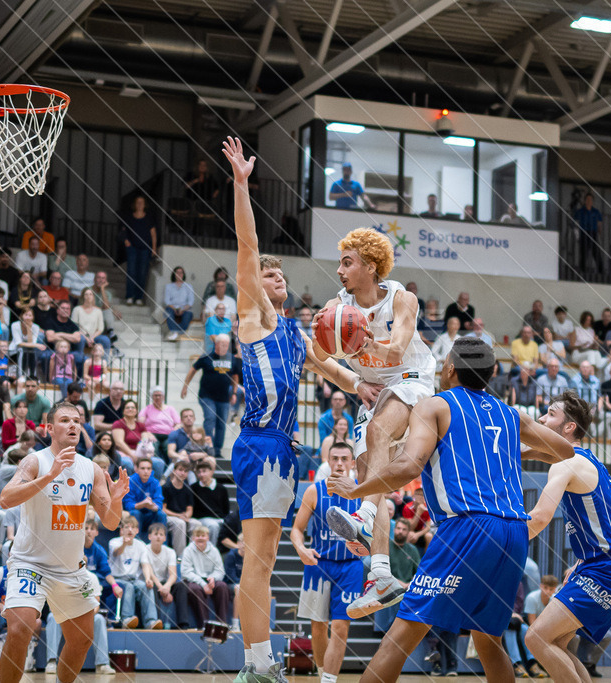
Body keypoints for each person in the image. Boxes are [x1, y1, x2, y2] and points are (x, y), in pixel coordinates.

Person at [326, 337, 575, 682]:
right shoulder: (510, 414)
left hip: (468, 527)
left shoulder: (435, 406)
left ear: (450, 368)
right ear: (491, 374)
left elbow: (409, 466)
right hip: (514, 533)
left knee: (399, 638)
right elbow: (565, 450)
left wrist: (358, 489)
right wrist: (513, 451)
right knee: (488, 640)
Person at [222, 136, 366, 682]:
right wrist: (242, 186)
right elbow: (247, 245)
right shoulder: (254, 315)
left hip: (283, 449)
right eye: (267, 274)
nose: (275, 278)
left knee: (262, 560)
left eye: (280, 275)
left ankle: (257, 663)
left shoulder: (295, 333)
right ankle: (258, 665)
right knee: (258, 559)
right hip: (260, 444)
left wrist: (369, 388)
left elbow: (336, 372)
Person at [316, 225, 437, 616]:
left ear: (370, 266)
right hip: (373, 390)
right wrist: (353, 380)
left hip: (410, 378)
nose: (339, 270)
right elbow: (320, 356)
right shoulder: (338, 307)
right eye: (339, 263)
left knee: (378, 432)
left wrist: (363, 342)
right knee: (371, 475)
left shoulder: (402, 299)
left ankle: (364, 516)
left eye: (347, 263)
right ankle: (382, 576)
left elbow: (397, 350)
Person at [0, 402, 130, 683]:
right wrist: (49, 476)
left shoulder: (91, 469)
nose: (73, 425)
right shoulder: (35, 461)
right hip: (30, 564)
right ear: (49, 428)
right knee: (20, 629)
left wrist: (116, 499)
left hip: (70, 569)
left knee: (82, 639)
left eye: (77, 421)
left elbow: (110, 522)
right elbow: (6, 498)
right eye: (65, 420)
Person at [522, 391, 611, 683]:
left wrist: (504, 542)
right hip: (599, 565)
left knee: (536, 638)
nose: (541, 419)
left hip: (605, 569)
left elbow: (540, 516)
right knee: (556, 642)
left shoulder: (566, 464)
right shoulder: (581, 458)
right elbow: (539, 452)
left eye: (550, 414)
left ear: (569, 426)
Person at [291, 442, 362, 683]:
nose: (339, 463)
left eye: (344, 459)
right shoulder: (314, 491)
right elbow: (297, 529)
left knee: (341, 627)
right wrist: (301, 549)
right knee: (318, 626)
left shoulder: (362, 492)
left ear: (352, 463)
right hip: (319, 564)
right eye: (335, 458)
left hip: (350, 566)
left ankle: (329, 680)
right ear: (328, 462)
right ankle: (322, 674)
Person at [181, 335, 242, 457]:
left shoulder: (231, 359)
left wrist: (234, 393)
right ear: (216, 344)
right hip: (206, 396)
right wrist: (185, 386)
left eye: (227, 345)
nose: (225, 347)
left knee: (221, 424)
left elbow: (235, 376)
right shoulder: (207, 357)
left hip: (224, 398)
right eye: (222, 344)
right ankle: (208, 447)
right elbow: (193, 369)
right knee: (210, 418)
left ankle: (217, 451)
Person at [107, 513, 162, 629]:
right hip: (117, 579)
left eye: (133, 527)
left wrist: (148, 579)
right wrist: (124, 544)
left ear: (137, 531)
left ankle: (151, 621)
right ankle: (127, 619)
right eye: (127, 527)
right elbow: (116, 553)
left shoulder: (141, 545)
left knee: (146, 586)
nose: (130, 530)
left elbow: (145, 565)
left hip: (134, 579)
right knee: (129, 587)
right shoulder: (113, 542)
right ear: (122, 530)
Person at [181, 525, 230, 629]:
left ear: (207, 537)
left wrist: (213, 578)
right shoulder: (188, 550)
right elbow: (186, 572)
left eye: (203, 535)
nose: (200, 538)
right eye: (197, 535)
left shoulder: (214, 550)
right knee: (195, 589)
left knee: (222, 586)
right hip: (195, 580)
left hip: (211, 579)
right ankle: (204, 625)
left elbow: (220, 571)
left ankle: (222, 624)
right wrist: (203, 584)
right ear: (193, 538)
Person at [121, 195, 159, 305]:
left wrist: (154, 248)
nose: (139, 204)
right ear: (134, 204)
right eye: (138, 202)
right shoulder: (129, 217)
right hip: (132, 248)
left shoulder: (149, 218)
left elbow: (153, 234)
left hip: (145, 249)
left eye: (142, 202)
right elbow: (123, 230)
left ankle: (138, 297)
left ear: (145, 205)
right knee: (131, 272)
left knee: (142, 273)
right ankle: (129, 296)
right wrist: (126, 240)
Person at [123, 457, 168, 540]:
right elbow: (127, 505)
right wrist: (142, 504)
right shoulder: (130, 481)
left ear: (151, 470)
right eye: (143, 468)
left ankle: (162, 544)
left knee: (161, 514)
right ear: (137, 469)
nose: (146, 471)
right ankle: (136, 542)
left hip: (150, 513)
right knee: (135, 513)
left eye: (148, 468)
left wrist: (153, 506)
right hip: (136, 513)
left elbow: (159, 504)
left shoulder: (155, 482)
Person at [573, 192, 603, 274]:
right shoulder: (580, 211)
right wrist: (577, 236)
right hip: (584, 232)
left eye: (590, 199)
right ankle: (582, 271)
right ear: (585, 200)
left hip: (593, 233)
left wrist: (599, 235)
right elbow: (576, 224)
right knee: (584, 253)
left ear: (593, 201)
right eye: (587, 199)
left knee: (596, 253)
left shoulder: (596, 211)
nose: (589, 201)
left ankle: (601, 272)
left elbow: (599, 224)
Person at [163, 266, 195, 341]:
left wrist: (182, 309)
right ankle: (175, 332)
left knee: (188, 314)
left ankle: (177, 334)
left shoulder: (188, 286)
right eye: (177, 272)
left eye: (181, 272)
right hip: (172, 307)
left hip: (185, 308)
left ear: (183, 274)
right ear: (174, 274)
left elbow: (191, 301)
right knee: (167, 312)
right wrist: (175, 309)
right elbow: (167, 301)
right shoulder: (169, 286)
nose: (179, 274)